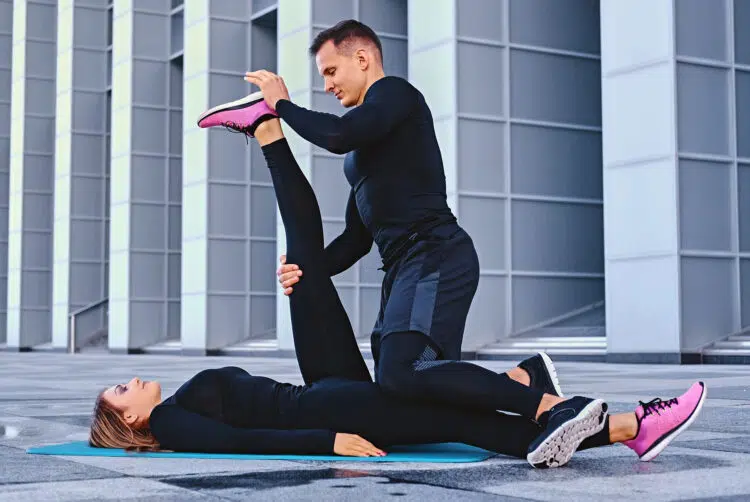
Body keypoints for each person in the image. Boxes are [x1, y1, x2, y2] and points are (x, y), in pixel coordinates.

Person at [90, 115, 708, 469]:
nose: (129, 381)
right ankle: (628, 424)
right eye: (121, 392)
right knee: (461, 423)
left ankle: (267, 133)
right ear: (132, 421)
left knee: (303, 265)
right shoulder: (171, 422)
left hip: (322, 386)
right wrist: (325, 443)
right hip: (330, 412)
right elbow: (244, 441)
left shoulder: (176, 407)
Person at [196, 19, 623, 460]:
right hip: (404, 269)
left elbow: (337, 135)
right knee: (403, 388)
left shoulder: (396, 96)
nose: (326, 85)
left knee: (402, 372)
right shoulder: (361, 157)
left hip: (436, 253)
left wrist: (280, 105)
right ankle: (524, 379)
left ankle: (552, 408)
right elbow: (356, 240)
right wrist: (306, 270)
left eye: (330, 72)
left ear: (362, 59)